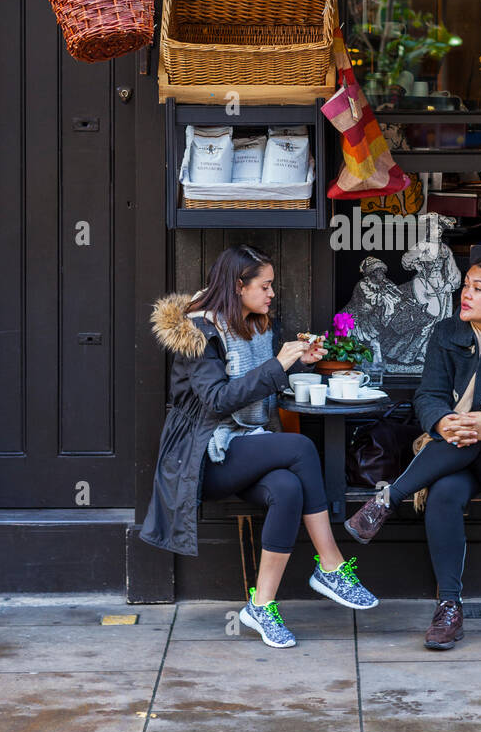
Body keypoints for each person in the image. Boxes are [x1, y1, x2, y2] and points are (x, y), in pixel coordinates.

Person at [140, 244, 378, 648]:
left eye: (272, 286)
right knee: (300, 449)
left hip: (247, 444)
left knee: (287, 487)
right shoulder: (201, 332)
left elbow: (260, 395)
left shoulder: (257, 326)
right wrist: (278, 366)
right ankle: (332, 564)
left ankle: (262, 606)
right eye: (264, 286)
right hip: (204, 456)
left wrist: (298, 363)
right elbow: (217, 401)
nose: (271, 294)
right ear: (238, 285)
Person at [344, 256, 481, 649]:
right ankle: (449, 609)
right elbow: (429, 396)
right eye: (467, 285)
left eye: (479, 288)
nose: (466, 293)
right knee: (443, 495)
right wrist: (441, 422)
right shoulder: (446, 332)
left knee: (468, 436)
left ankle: (387, 499)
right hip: (451, 451)